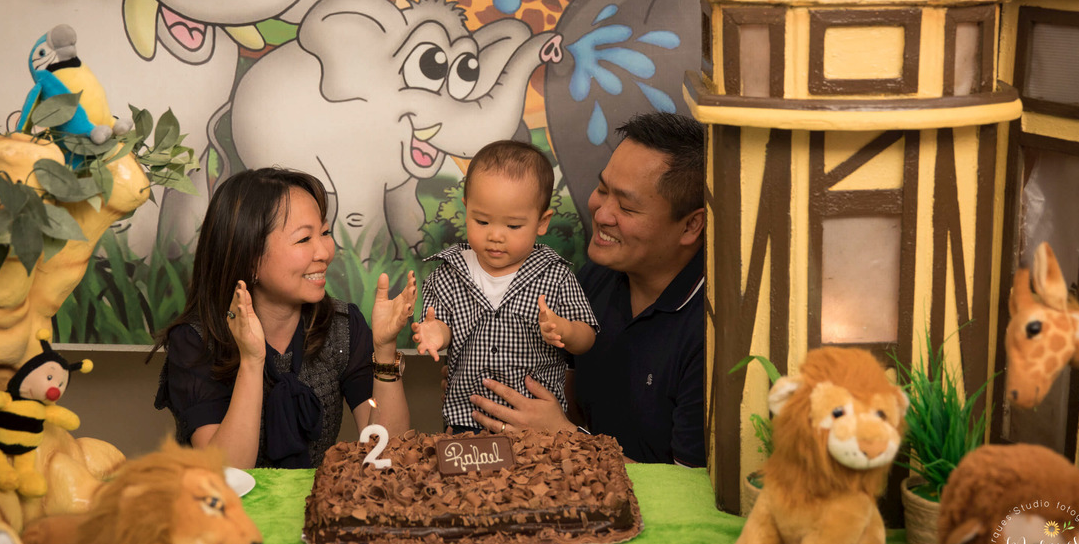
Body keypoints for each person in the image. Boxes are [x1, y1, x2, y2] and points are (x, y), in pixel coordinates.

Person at [469, 113, 706, 466]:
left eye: (626, 206)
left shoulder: (711, 334)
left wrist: (565, 439)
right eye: (602, 189)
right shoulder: (596, 276)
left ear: (690, 225)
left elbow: (690, 490)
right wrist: (495, 391)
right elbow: (572, 400)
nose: (601, 212)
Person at [153, 167, 416, 469]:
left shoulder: (342, 327)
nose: (325, 251)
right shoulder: (195, 341)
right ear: (249, 257)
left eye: (326, 233)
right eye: (304, 239)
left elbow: (388, 458)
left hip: (314, 510)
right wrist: (252, 362)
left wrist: (384, 351)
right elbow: (224, 475)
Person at [412, 140, 598, 433]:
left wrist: (565, 330)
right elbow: (444, 326)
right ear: (466, 209)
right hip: (466, 420)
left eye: (513, 226)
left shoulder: (556, 275)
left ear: (541, 222)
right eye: (482, 221)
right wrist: (436, 333)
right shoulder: (446, 274)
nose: (496, 236)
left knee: (537, 479)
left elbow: (587, 335)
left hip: (537, 426)